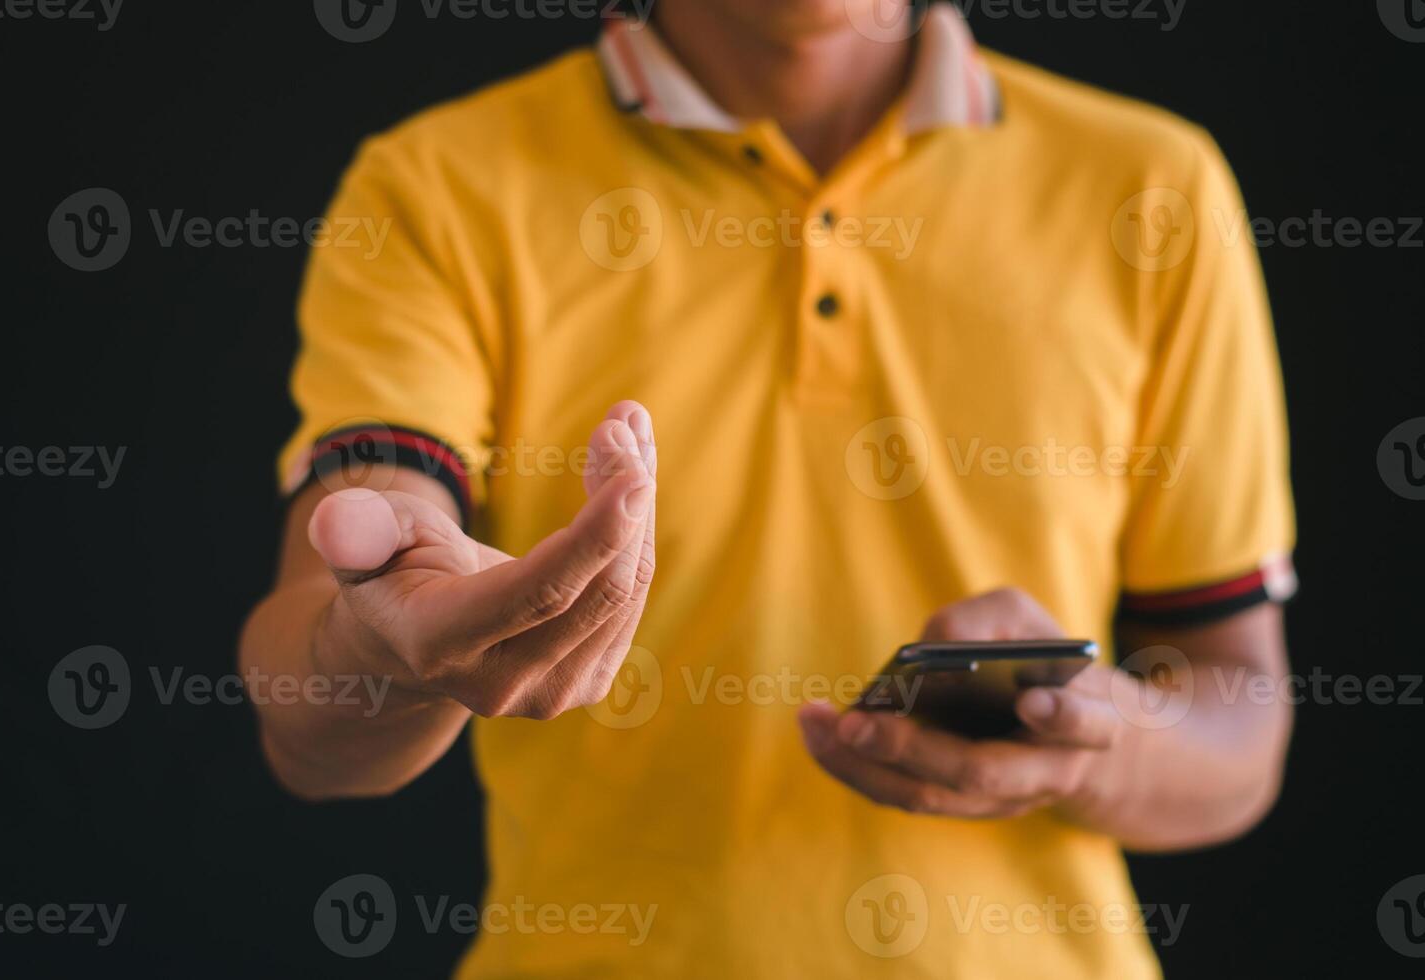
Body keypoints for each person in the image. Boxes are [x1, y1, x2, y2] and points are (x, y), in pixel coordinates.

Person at [240, 1, 1297, 975]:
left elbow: (1240, 728)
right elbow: (312, 707)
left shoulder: (1155, 189)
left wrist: (1093, 741)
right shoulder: (435, 185)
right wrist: (389, 634)